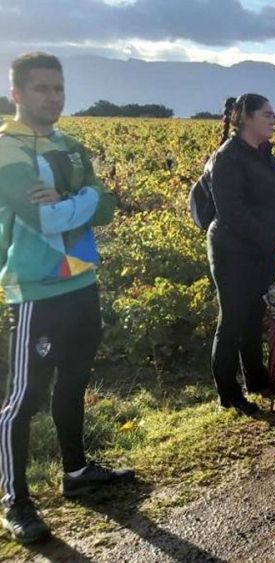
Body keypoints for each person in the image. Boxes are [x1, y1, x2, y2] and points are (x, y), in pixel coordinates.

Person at [0, 52, 133, 545]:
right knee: (23, 397)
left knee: (73, 381)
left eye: (58, 88)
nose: (53, 97)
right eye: (41, 89)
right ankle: (15, 500)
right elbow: (49, 220)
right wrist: (86, 202)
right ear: (16, 93)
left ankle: (75, 471)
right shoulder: (6, 150)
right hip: (36, 288)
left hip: (82, 280)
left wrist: (79, 202)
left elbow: (109, 206)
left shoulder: (72, 145)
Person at [206, 94, 275, 414]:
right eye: (267, 114)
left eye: (274, 114)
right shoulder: (228, 158)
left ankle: (257, 380)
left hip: (262, 249)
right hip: (233, 250)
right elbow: (233, 214)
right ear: (246, 118)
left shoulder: (266, 156)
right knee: (232, 319)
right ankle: (228, 394)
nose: (274, 120)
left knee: (254, 315)